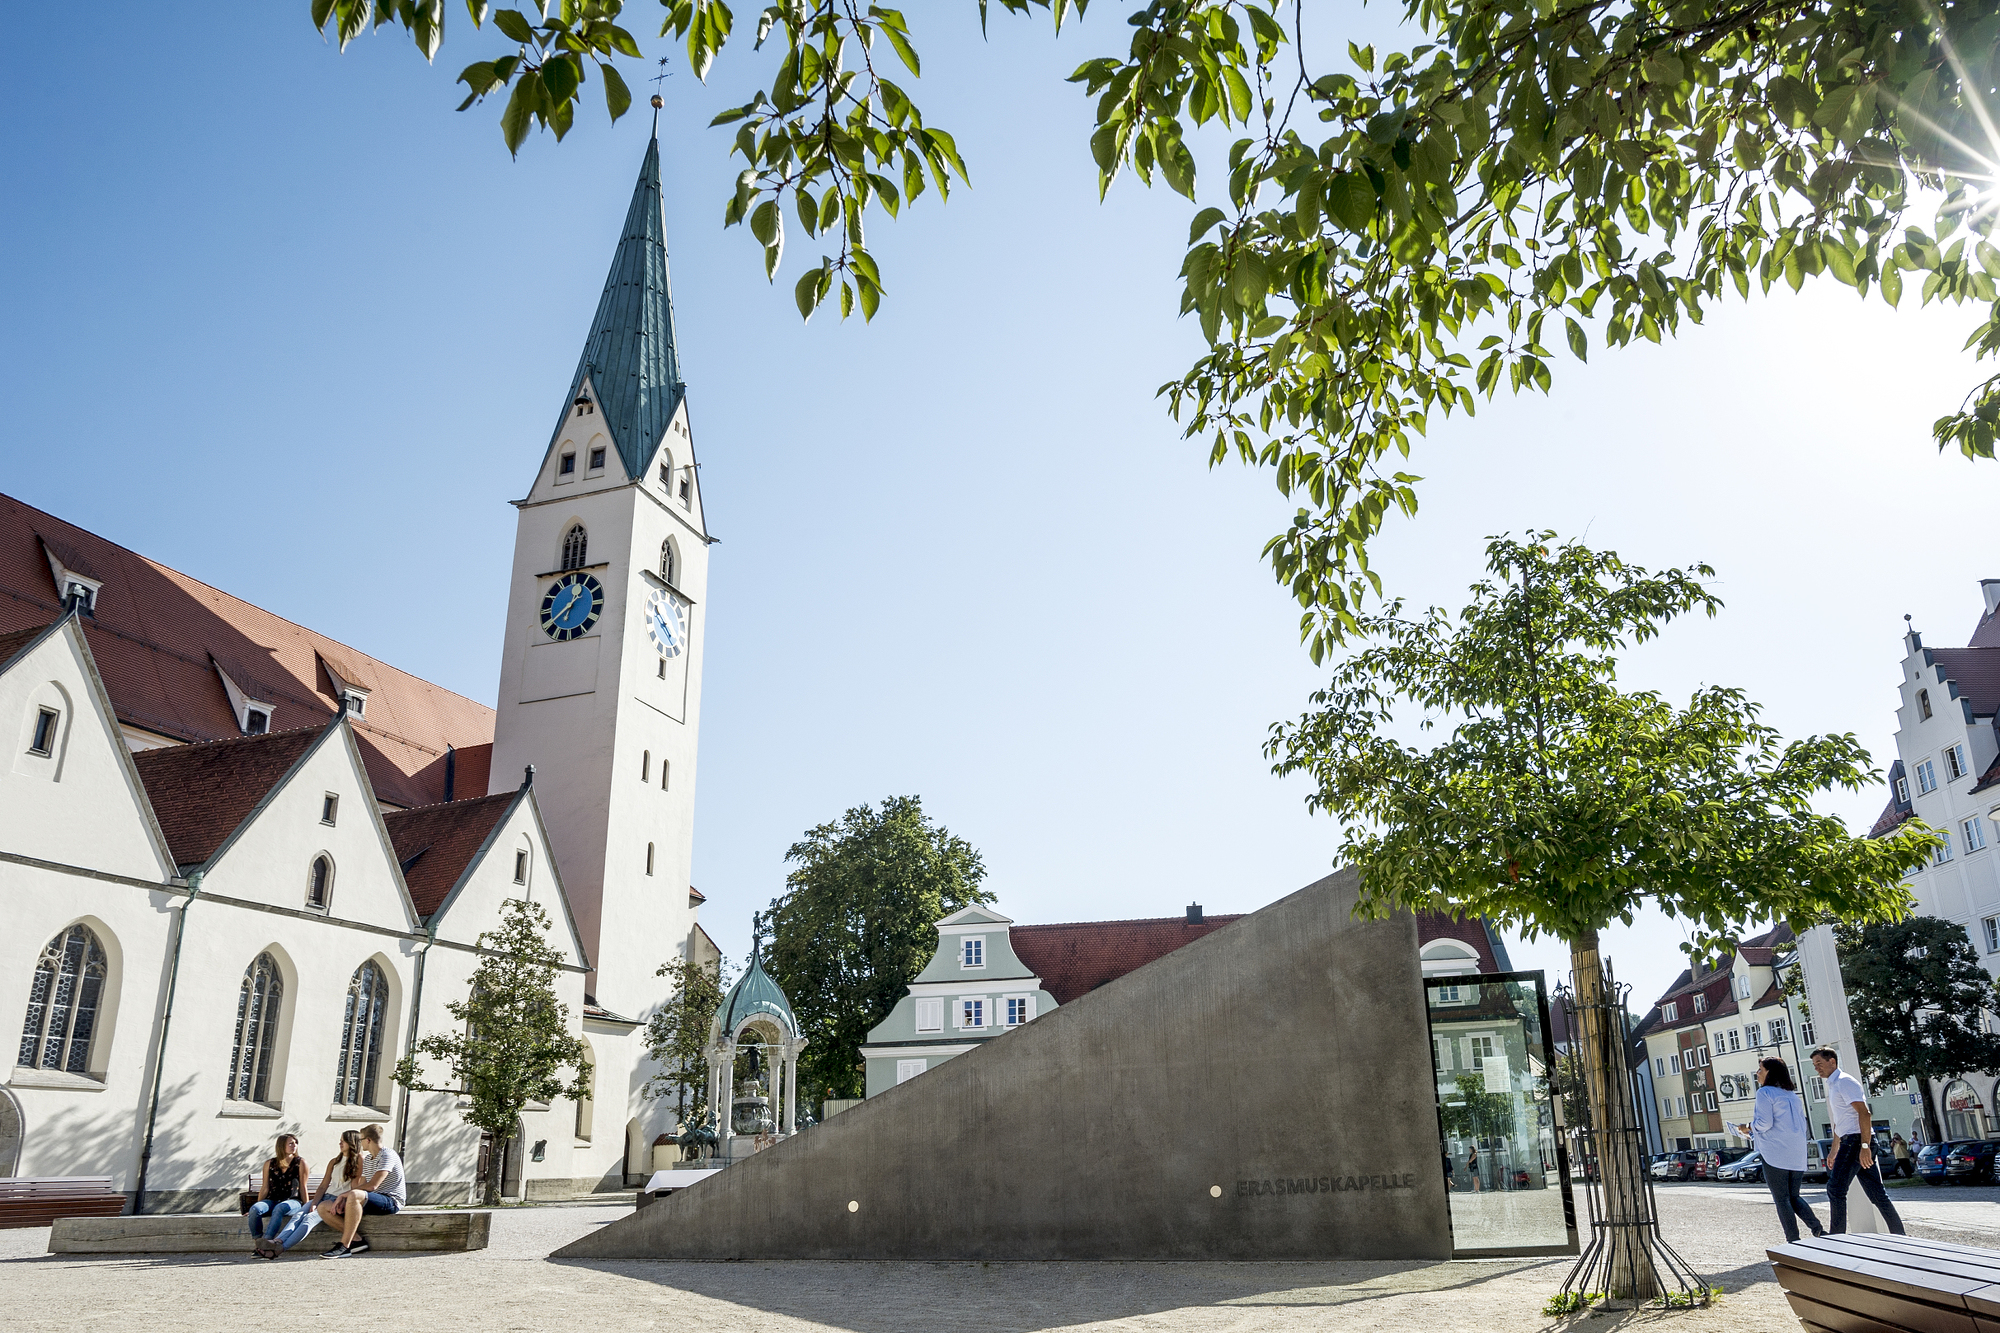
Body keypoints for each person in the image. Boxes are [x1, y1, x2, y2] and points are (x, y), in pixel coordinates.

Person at [1810, 1046, 1905, 1235]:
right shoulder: (1833, 1084)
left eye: (1819, 1064)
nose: (1817, 1068)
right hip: (1852, 1140)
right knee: (1877, 1195)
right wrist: (1834, 1149)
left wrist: (1865, 1146)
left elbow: (1864, 1113)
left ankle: (1837, 1238)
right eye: (1814, 1065)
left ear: (1832, 1061)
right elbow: (1841, 1121)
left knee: (1835, 1189)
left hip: (1856, 1141)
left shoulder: (1844, 1082)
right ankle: (1900, 1234)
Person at [1730, 1057, 1823, 1244]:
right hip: (1796, 1153)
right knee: (1794, 1196)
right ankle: (1818, 1229)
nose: (1757, 1073)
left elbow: (1764, 1123)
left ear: (1769, 1073)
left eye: (1760, 1069)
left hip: (1775, 1153)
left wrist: (1747, 1127)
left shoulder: (1765, 1093)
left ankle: (1793, 1240)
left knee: (1782, 1199)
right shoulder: (1792, 1095)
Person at [321, 1123, 406, 1258]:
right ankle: (357, 1240)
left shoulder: (387, 1155)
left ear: (368, 1140)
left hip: (391, 1200)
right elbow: (363, 1185)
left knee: (354, 1194)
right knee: (323, 1207)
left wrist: (344, 1195)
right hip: (372, 1199)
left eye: (361, 1140)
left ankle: (344, 1246)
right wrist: (346, 1200)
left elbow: (373, 1186)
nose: (360, 1143)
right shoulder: (368, 1159)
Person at [247, 1134, 312, 1259]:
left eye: (295, 1143)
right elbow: (265, 1187)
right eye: (291, 1143)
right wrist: (257, 1205)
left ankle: (266, 1243)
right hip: (271, 1200)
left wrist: (307, 1206)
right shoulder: (269, 1163)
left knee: (280, 1208)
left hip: (293, 1201)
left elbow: (303, 1187)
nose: (294, 1146)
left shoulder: (300, 1163)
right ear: (282, 1146)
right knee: (255, 1209)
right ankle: (258, 1242)